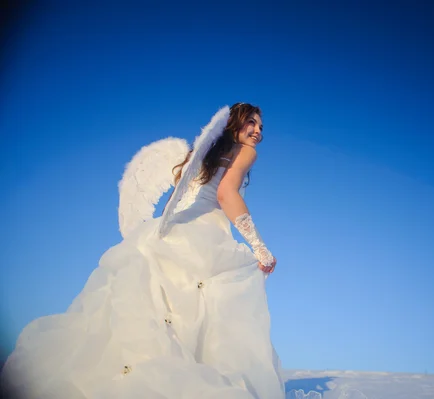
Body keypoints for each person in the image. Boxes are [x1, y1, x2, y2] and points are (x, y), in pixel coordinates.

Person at [1, 103, 285, 398]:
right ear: (234, 122)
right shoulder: (245, 153)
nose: (257, 131)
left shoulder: (204, 156)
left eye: (261, 127)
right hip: (203, 237)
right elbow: (226, 194)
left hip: (167, 230)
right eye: (251, 122)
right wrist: (260, 247)